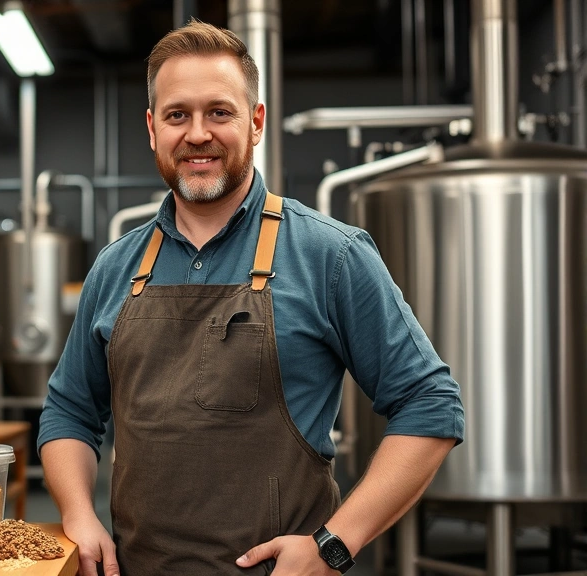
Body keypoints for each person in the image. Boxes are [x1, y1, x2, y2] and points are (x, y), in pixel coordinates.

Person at [37, 19, 465, 576]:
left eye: (219, 112)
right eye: (177, 115)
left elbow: (430, 403)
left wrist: (333, 545)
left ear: (255, 121)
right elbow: (69, 411)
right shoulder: (115, 267)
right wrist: (78, 513)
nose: (197, 134)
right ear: (152, 128)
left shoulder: (330, 254)